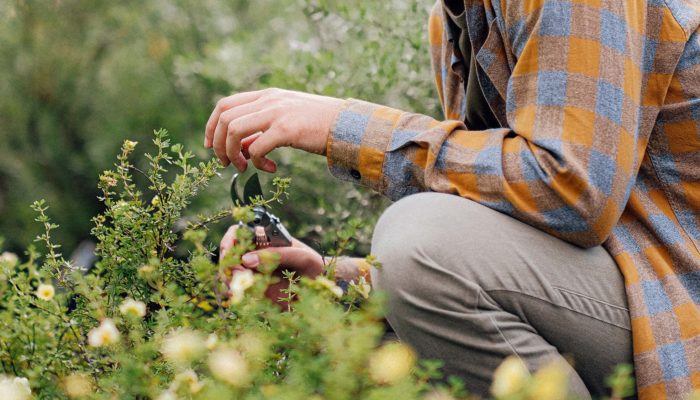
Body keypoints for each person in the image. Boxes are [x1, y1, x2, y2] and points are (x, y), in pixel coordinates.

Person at [207, 1, 700, 399]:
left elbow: (570, 191)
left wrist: (344, 126)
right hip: (635, 307)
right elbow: (496, 253)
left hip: (680, 326)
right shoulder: (458, 21)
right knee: (415, 255)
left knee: (421, 240)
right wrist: (332, 282)